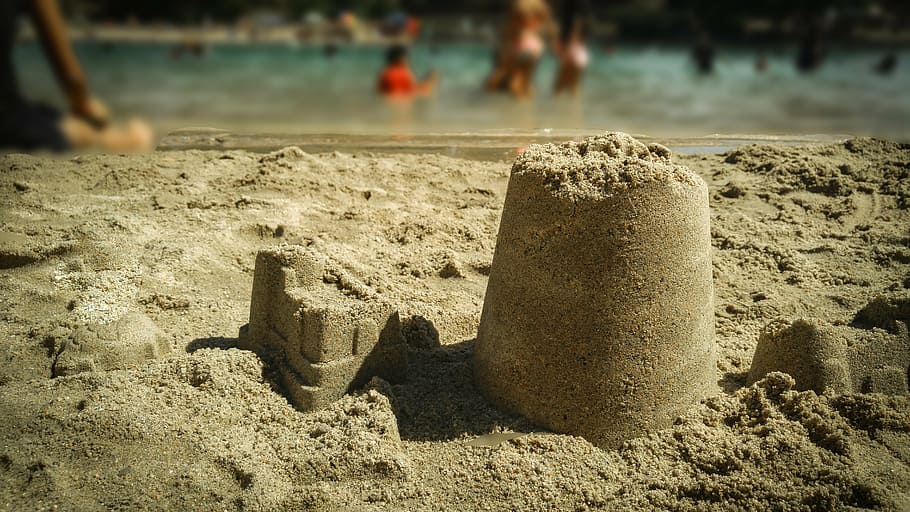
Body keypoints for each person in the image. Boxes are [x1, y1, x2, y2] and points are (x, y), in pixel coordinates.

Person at [1, 0, 151, 152]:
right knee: (74, 128)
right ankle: (113, 140)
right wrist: (85, 106)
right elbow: (73, 79)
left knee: (47, 114)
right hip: (6, 119)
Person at [485, 0, 556, 98]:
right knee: (522, 81)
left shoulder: (522, 10)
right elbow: (549, 28)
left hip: (521, 50)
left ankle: (519, 104)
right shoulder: (536, 8)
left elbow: (511, 32)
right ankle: (523, 105)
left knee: (514, 80)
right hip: (527, 50)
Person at [553, 0, 590, 95]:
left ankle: (553, 109)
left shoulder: (572, 17)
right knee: (574, 88)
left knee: (558, 88)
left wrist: (566, 51)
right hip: (581, 54)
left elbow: (574, 32)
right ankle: (574, 109)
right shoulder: (583, 15)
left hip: (571, 52)